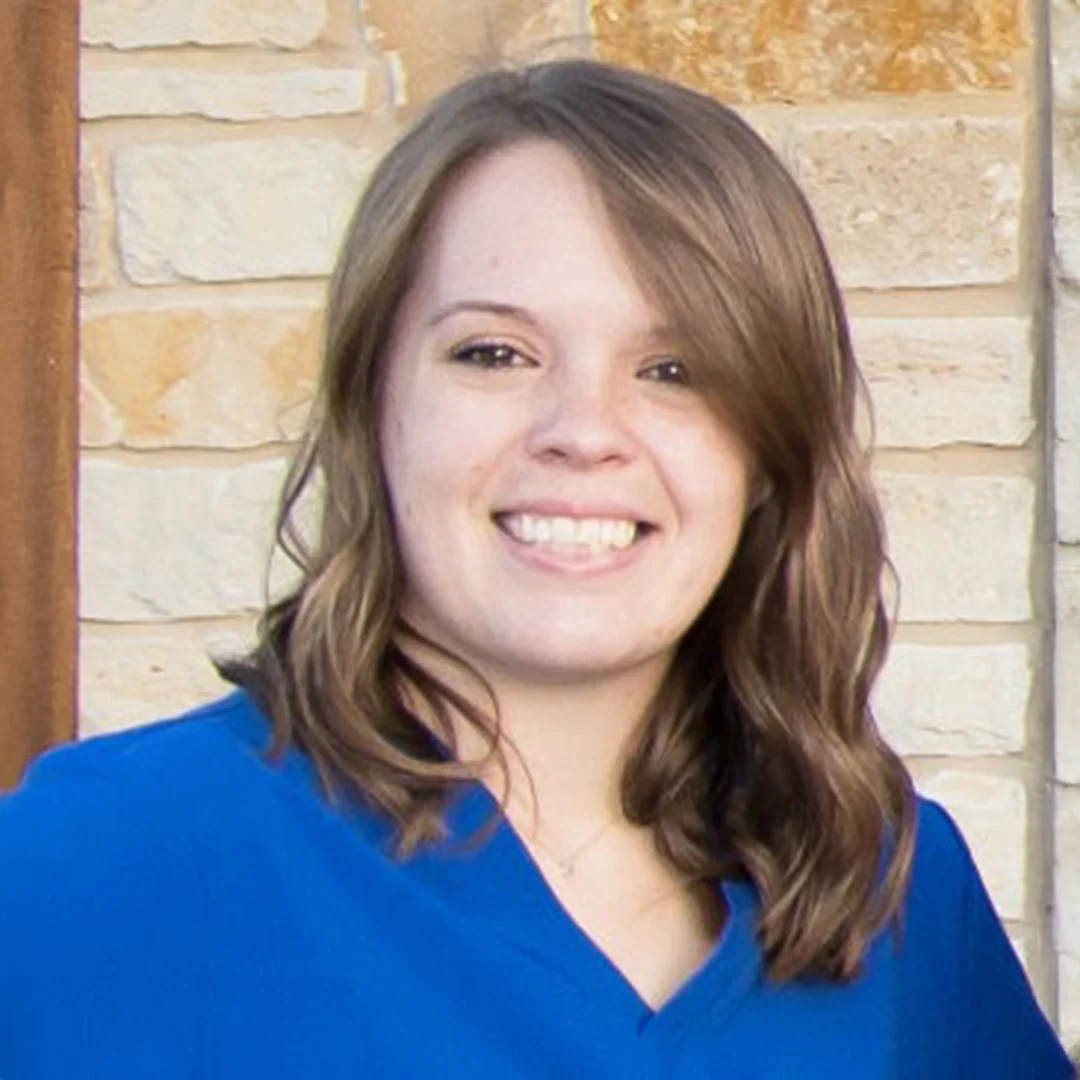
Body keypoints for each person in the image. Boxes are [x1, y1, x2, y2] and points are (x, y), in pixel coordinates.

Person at [0, 59, 1072, 1079]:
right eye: (495, 354)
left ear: (766, 456)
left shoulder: (887, 890)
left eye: (674, 369)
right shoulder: (106, 860)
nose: (583, 430)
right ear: (373, 404)